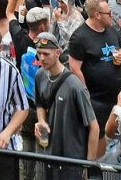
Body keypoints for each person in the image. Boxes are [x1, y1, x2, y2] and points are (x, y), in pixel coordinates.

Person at [33, 32, 99, 177]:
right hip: (50, 154)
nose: (41, 58)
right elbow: (40, 104)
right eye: (39, 53)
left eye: (46, 54)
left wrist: (88, 167)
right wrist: (42, 121)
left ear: (57, 53)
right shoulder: (40, 75)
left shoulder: (75, 85)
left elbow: (94, 127)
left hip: (72, 160)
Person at [67, 0, 121, 156]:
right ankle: (95, 168)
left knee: (117, 134)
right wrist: (85, 94)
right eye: (109, 13)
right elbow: (74, 68)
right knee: (98, 135)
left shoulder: (111, 30)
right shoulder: (79, 37)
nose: (112, 15)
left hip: (116, 96)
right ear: (97, 15)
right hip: (95, 99)